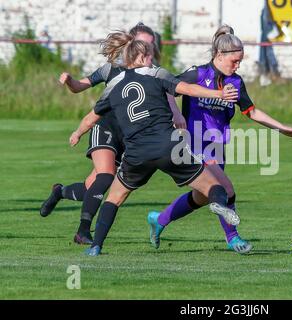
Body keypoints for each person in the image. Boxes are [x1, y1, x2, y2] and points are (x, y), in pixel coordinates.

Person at [69, 31, 241, 256]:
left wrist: (77, 133)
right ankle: (217, 204)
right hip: (168, 147)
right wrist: (219, 94)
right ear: (140, 58)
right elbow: (188, 89)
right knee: (214, 187)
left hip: (136, 154)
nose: (152, 59)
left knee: (114, 198)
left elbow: (91, 117)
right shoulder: (157, 74)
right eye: (150, 55)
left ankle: (96, 246)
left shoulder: (113, 86)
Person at [146, 25, 292, 254]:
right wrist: (177, 114)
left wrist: (282, 128)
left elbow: (251, 111)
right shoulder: (197, 74)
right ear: (219, 55)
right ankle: (233, 238)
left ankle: (159, 220)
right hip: (193, 144)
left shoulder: (236, 82)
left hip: (217, 146)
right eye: (235, 61)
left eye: (240, 61)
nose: (238, 65)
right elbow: (168, 89)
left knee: (200, 197)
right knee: (225, 189)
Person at [39, 23, 186, 245]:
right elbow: (80, 86)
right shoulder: (110, 69)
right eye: (145, 44)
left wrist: (177, 115)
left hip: (129, 137)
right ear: (132, 44)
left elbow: (168, 96)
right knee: (106, 176)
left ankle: (59, 192)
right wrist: (70, 81)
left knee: (90, 188)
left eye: (151, 45)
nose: (149, 50)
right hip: (105, 128)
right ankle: (83, 232)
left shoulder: (152, 72)